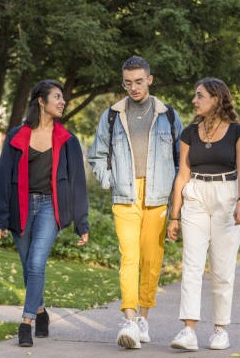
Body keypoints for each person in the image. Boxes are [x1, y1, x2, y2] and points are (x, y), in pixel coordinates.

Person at [88, 56, 183, 349]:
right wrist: (110, 180)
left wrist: (174, 195)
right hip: (125, 197)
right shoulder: (113, 115)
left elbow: (183, 160)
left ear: (149, 80)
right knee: (128, 257)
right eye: (128, 82)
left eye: (139, 81)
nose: (133, 87)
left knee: (151, 261)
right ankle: (129, 321)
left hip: (157, 197)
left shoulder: (168, 115)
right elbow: (97, 155)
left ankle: (143, 317)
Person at [0, 79, 89, 348]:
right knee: (28, 266)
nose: (62, 102)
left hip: (49, 207)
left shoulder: (68, 140)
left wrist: (82, 222)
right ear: (41, 102)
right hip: (21, 208)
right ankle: (42, 311)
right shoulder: (17, 136)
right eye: (57, 97)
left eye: (62, 98)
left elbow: (78, 184)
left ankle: (26, 322)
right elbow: (2, 178)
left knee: (36, 263)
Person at [168, 77, 240, 351]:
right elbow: (182, 174)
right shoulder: (190, 133)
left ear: (216, 98)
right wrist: (175, 215)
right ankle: (188, 330)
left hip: (227, 196)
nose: (195, 100)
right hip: (196, 195)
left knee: (222, 268)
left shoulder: (238, 132)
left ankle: (220, 330)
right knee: (191, 263)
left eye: (200, 95)